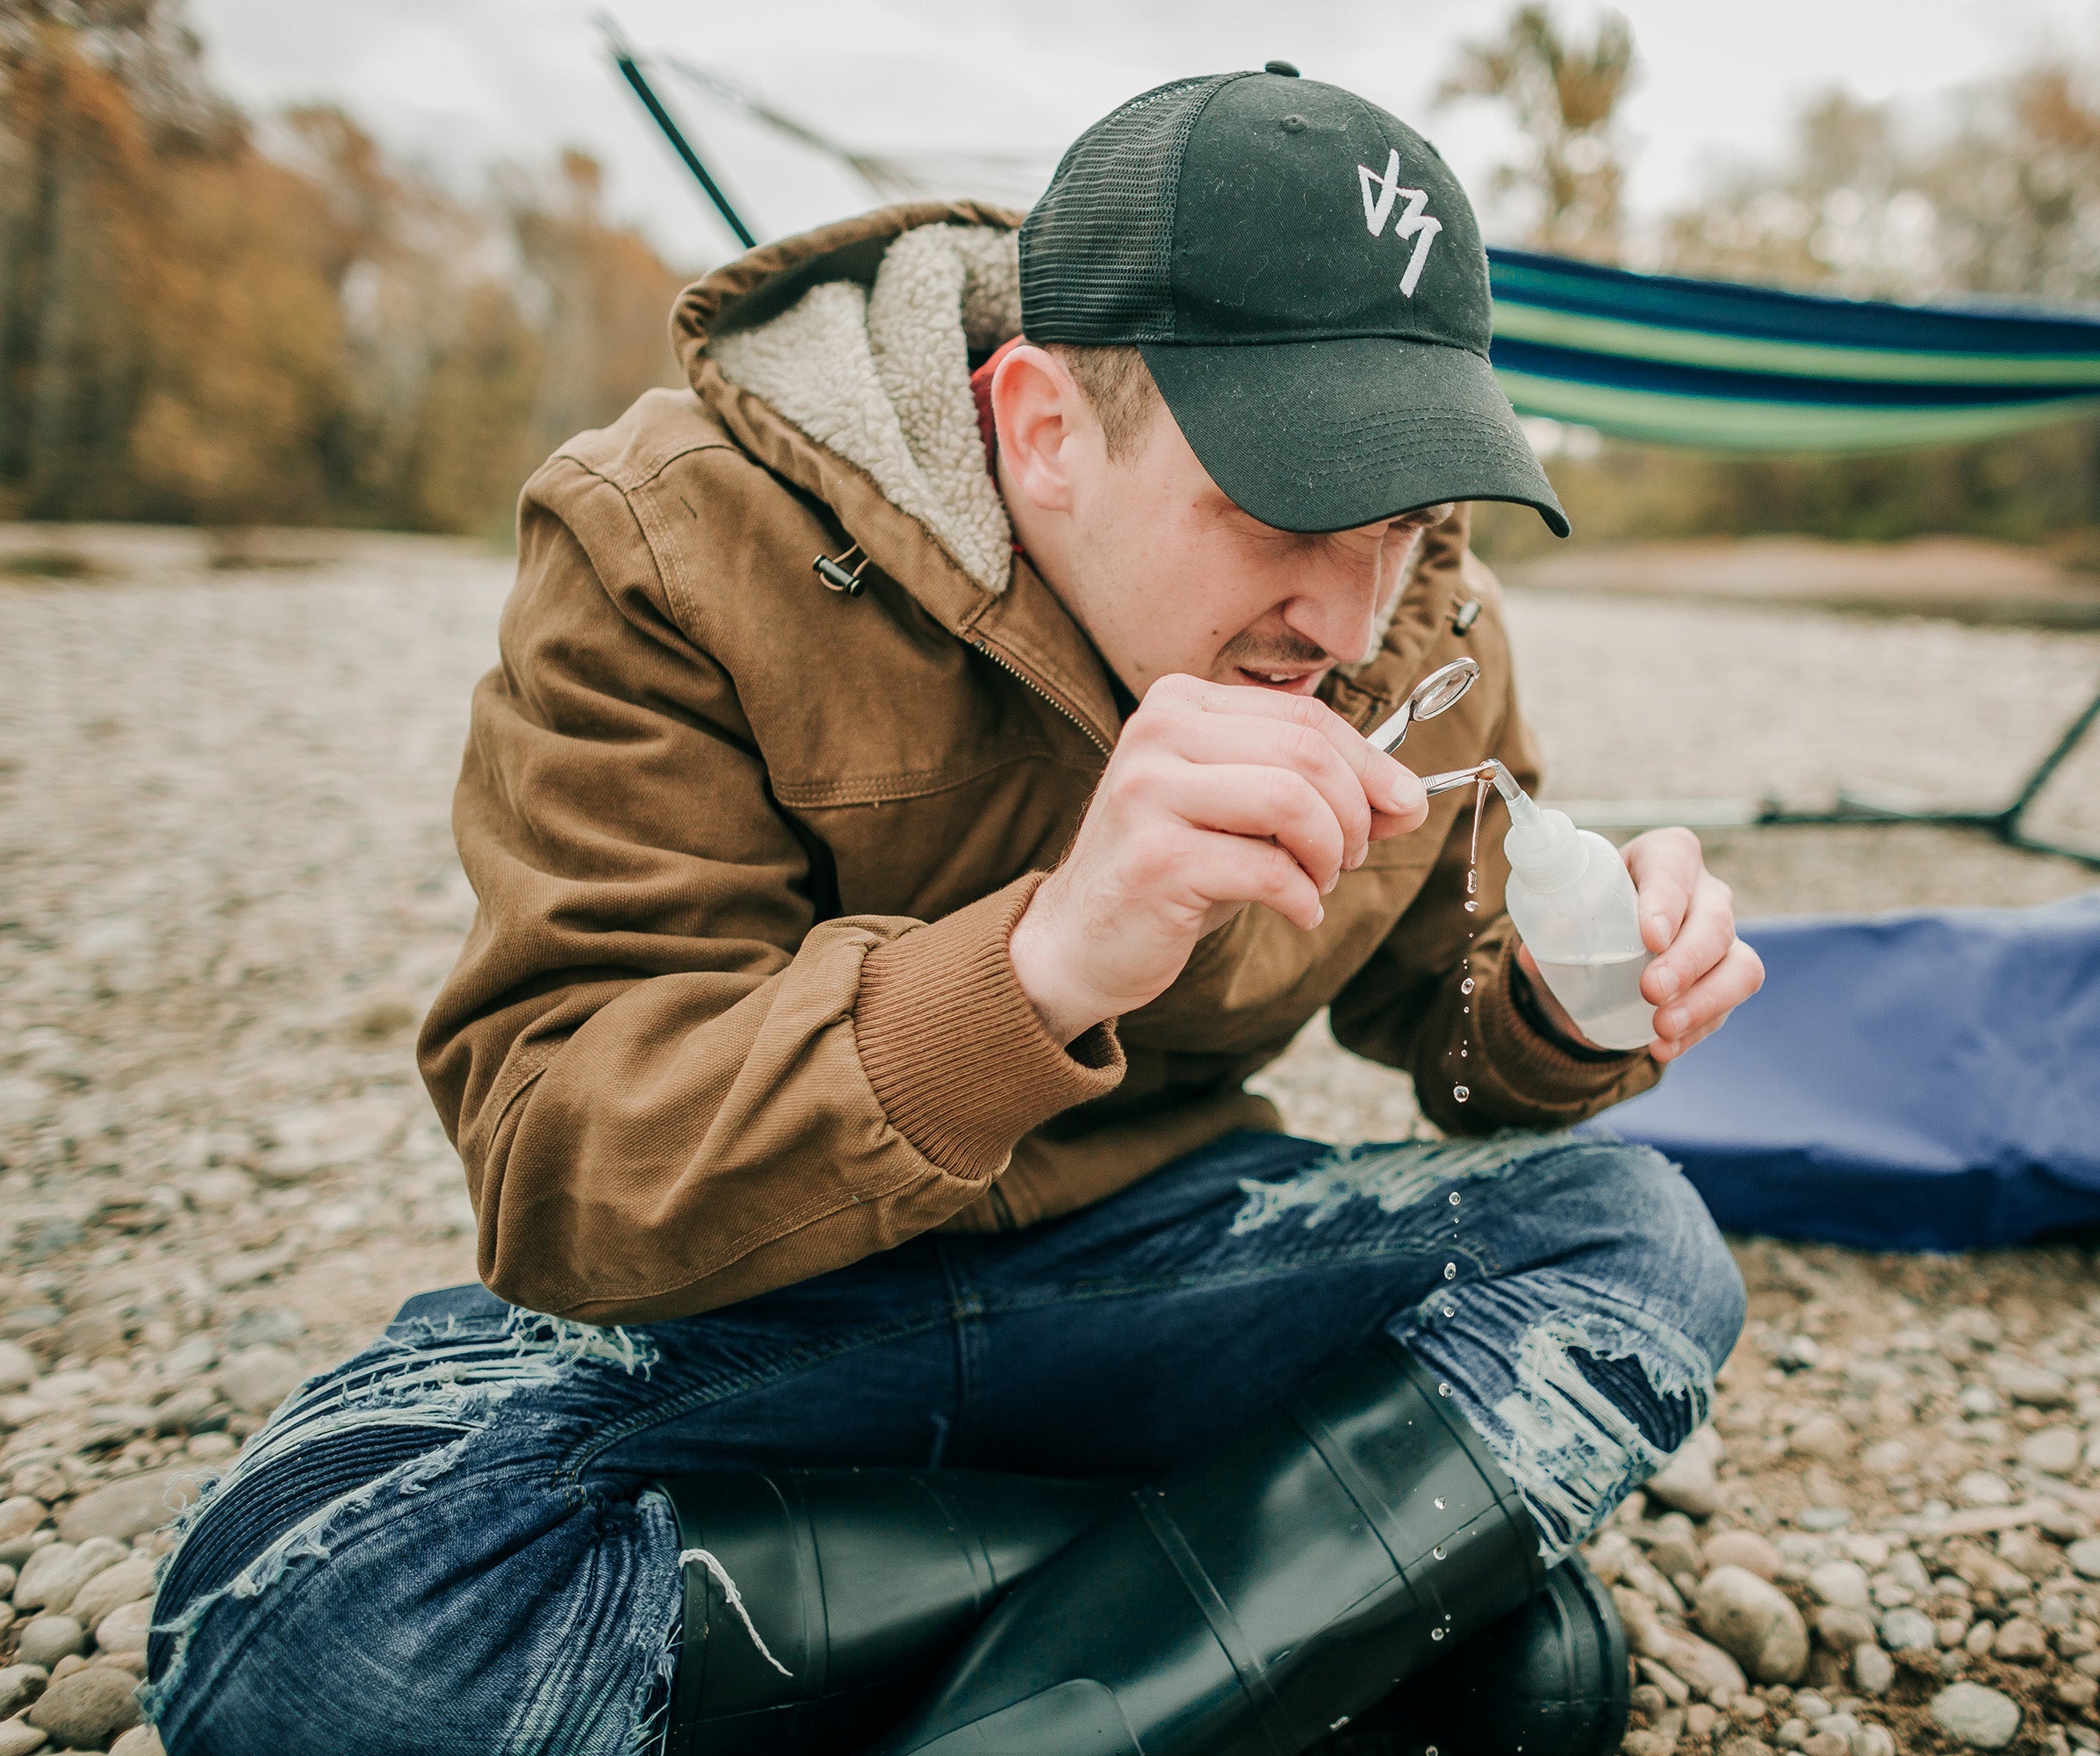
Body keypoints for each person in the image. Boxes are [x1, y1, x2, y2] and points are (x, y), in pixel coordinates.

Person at [143, 65, 1763, 1756]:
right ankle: (1263, 1580)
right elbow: (565, 1170)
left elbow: (1444, 1031)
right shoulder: (674, 534)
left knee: (1632, 1240)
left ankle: (1154, 1612)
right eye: (1288, 510)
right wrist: (1040, 963)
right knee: (311, 1639)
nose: (1353, 620)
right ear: (1044, 426)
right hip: (752, 1316)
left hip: (1161, 1268)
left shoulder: (1430, 623)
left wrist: (1572, 1010)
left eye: (1414, 518)